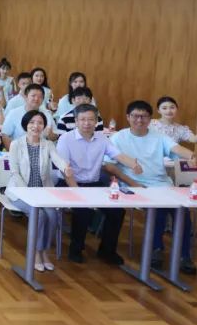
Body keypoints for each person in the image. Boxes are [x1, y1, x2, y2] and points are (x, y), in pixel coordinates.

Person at [107, 100, 197, 275]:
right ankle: (156, 249)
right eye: (135, 116)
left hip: (162, 184)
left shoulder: (159, 136)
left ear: (150, 119)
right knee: (158, 209)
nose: (139, 120)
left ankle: (184, 256)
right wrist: (133, 183)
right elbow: (109, 166)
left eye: (144, 117)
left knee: (183, 211)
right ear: (128, 117)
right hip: (133, 185)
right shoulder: (118, 137)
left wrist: (191, 155)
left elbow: (177, 148)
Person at [55, 104, 142, 265]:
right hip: (69, 183)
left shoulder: (102, 138)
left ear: (96, 121)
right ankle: (76, 249)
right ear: (76, 121)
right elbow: (65, 170)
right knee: (83, 211)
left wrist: (133, 165)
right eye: (82, 119)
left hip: (93, 184)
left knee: (117, 212)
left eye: (90, 119)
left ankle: (107, 251)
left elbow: (118, 155)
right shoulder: (65, 139)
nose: (86, 123)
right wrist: (77, 192)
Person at [5, 110, 71, 271]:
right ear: (26, 125)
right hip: (20, 192)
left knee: (53, 215)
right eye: (32, 122)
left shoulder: (48, 144)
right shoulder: (16, 144)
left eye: (40, 123)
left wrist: (65, 168)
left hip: (42, 192)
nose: (36, 126)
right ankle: (35, 253)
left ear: (44, 126)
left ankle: (44, 252)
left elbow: (58, 159)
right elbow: (14, 172)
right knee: (39, 215)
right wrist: (27, 193)